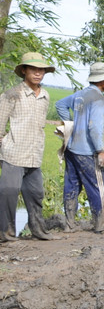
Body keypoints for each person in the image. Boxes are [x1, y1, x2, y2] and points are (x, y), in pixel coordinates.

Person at [55, 62, 104, 235]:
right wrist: (101, 150)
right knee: (99, 186)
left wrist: (71, 124)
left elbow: (60, 104)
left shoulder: (80, 94)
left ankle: (69, 224)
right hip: (87, 151)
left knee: (72, 185)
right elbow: (94, 127)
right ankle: (101, 224)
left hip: (71, 148)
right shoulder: (98, 98)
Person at [0, 52, 57, 242]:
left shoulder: (45, 96)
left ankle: (38, 230)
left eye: (41, 70)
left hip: (35, 154)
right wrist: (5, 146)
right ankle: (7, 234)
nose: (38, 73)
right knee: (9, 193)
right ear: (24, 70)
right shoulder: (12, 95)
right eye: (33, 69)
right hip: (14, 154)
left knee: (36, 194)